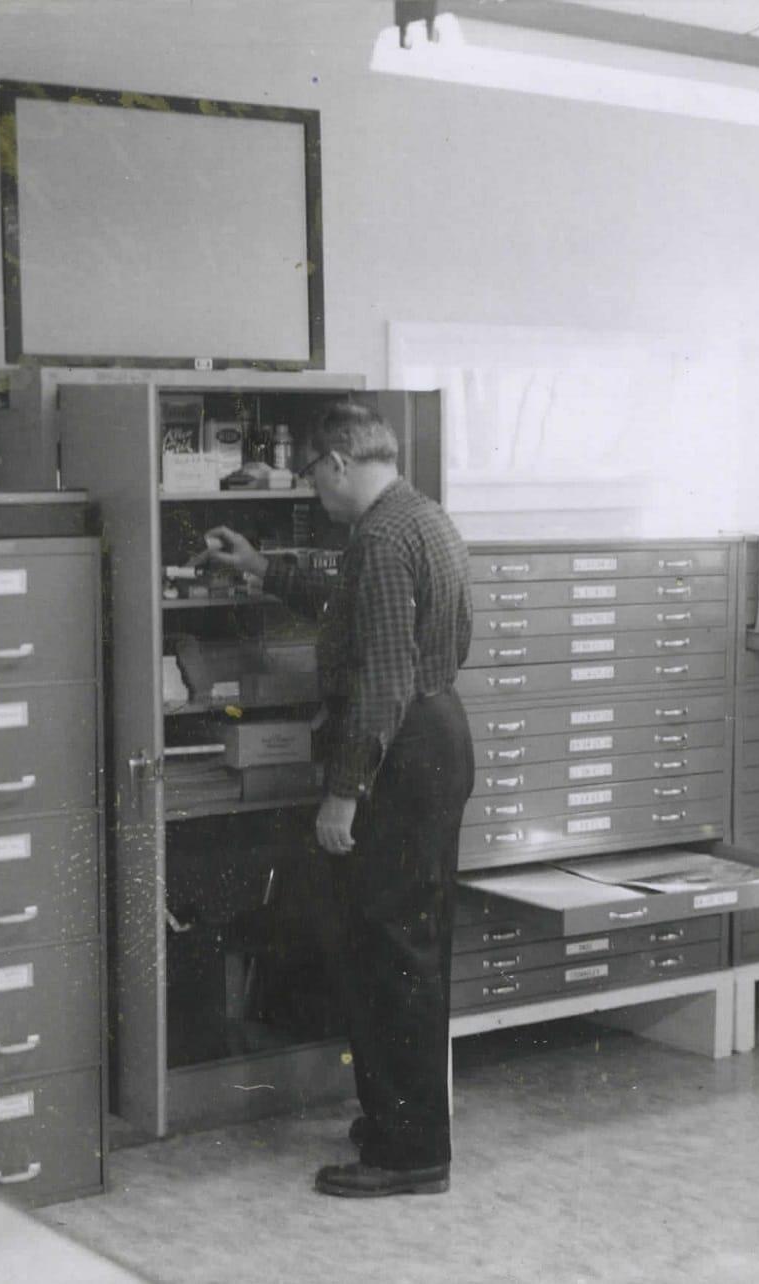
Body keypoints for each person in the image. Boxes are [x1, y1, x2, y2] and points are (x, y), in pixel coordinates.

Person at [200, 401, 474, 1198]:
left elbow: (383, 678)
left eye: (312, 476)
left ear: (338, 464)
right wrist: (261, 569)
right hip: (437, 736)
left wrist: (344, 794)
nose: (313, 493)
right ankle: (399, 1118)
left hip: (398, 752)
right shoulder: (419, 519)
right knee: (412, 946)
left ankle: (408, 1154)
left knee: (390, 956)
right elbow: (352, 596)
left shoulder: (384, 538)